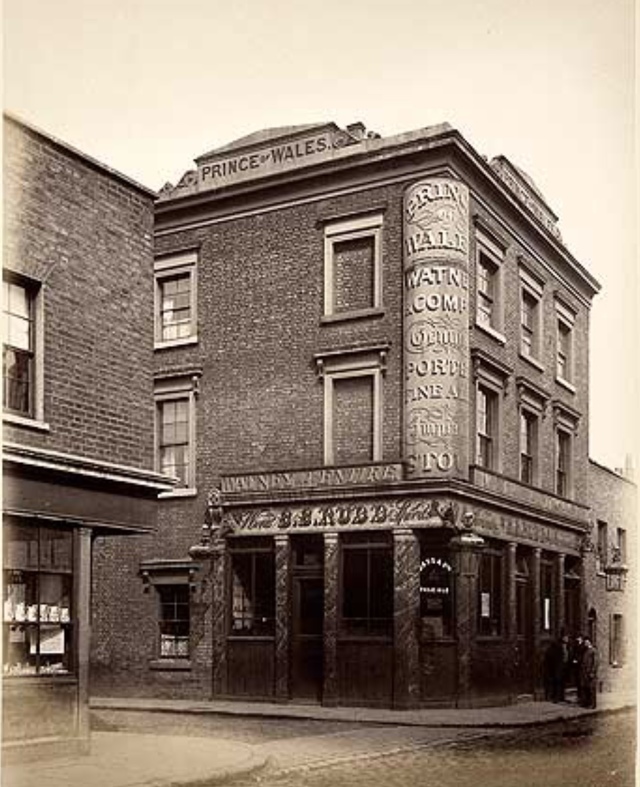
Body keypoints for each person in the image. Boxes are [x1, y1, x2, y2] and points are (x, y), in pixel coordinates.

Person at [580, 636, 598, 708]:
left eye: (586, 642)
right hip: (584, 673)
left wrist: (593, 672)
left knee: (591, 689)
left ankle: (592, 704)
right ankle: (587, 703)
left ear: (590, 642)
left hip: (590, 673)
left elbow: (596, 662)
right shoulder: (586, 650)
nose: (585, 644)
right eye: (584, 642)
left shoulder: (593, 651)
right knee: (586, 688)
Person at [571, 635, 585, 705]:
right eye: (577, 638)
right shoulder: (576, 646)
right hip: (576, 667)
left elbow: (584, 657)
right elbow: (574, 654)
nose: (577, 639)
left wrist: (578, 660)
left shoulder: (583, 646)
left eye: (578, 638)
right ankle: (579, 697)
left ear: (581, 639)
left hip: (582, 666)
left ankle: (582, 698)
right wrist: (574, 659)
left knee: (581, 683)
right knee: (578, 682)